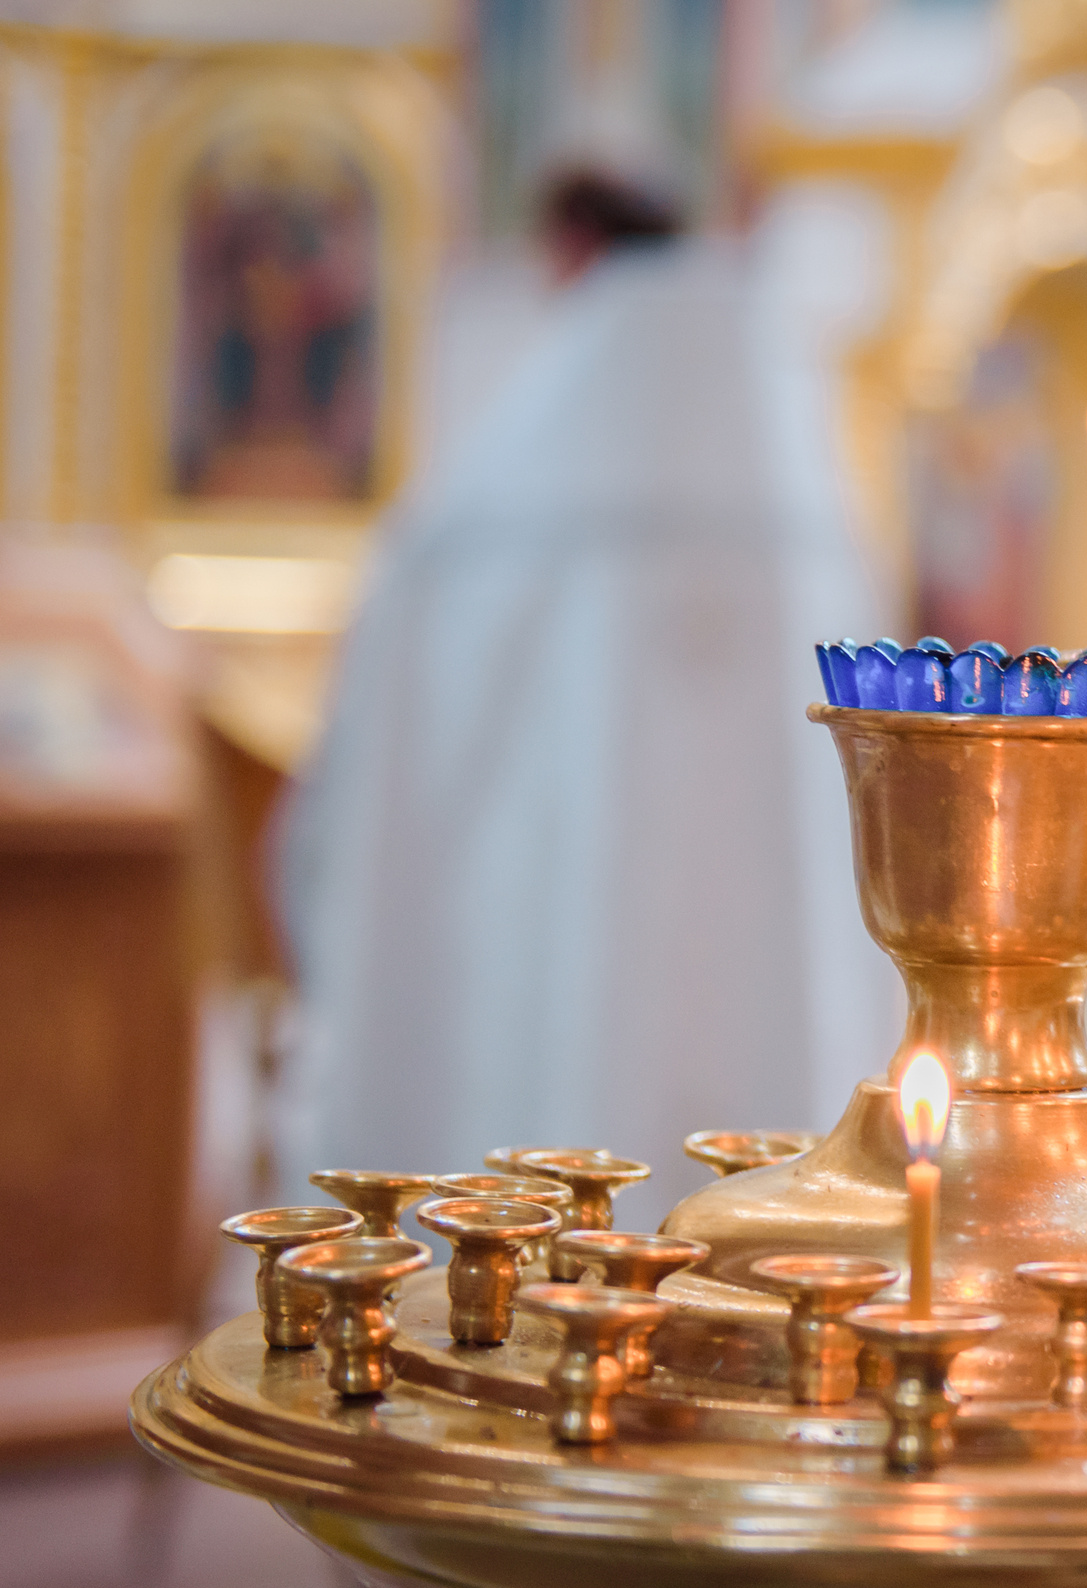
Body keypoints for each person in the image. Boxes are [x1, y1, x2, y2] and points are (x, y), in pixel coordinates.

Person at [277, 173, 903, 1229]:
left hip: (547, 995)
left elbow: (383, 758)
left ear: (570, 246)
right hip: (772, 1009)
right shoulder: (795, 473)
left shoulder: (506, 481)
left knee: (554, 1134)